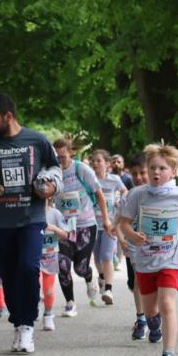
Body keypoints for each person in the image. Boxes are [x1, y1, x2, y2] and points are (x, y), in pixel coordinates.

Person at [0, 92, 61, 353]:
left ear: (8, 116)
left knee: (28, 267)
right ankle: (17, 322)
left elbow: (55, 170)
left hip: (32, 218)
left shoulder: (37, 140)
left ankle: (27, 326)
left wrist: (49, 188)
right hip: (1, 221)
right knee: (7, 274)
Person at [118, 145, 178, 356]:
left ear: (173, 171)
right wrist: (132, 235)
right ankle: (152, 321)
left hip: (170, 259)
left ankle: (169, 354)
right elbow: (125, 222)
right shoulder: (138, 194)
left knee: (168, 304)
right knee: (150, 310)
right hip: (145, 260)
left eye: (162, 168)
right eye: (152, 168)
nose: (156, 173)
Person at [52, 137, 111, 314]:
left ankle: (89, 276)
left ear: (71, 153)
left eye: (63, 157)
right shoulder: (51, 171)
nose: (60, 161)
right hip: (63, 227)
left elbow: (99, 194)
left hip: (85, 224)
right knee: (62, 265)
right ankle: (70, 303)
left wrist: (106, 220)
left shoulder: (81, 169)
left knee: (80, 267)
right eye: (56, 157)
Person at [117, 153, 150, 340]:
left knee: (155, 284)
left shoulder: (161, 194)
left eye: (142, 172)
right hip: (135, 246)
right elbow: (121, 221)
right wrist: (122, 238)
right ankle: (141, 319)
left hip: (158, 247)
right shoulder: (128, 196)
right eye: (135, 173)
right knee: (137, 281)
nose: (138, 177)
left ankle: (154, 314)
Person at [89, 149, 128, 305]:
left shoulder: (114, 179)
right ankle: (102, 277)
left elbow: (125, 191)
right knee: (97, 258)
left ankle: (108, 290)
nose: (96, 163)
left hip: (110, 223)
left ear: (106, 164)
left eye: (99, 161)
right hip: (92, 223)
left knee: (106, 255)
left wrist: (121, 199)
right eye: (94, 161)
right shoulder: (89, 180)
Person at [39, 198, 69, 331]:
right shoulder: (29, 213)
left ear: (49, 197)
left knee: (49, 291)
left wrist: (53, 228)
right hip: (35, 257)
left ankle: (48, 314)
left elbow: (65, 235)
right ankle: (36, 304)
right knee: (35, 285)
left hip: (50, 258)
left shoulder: (55, 214)